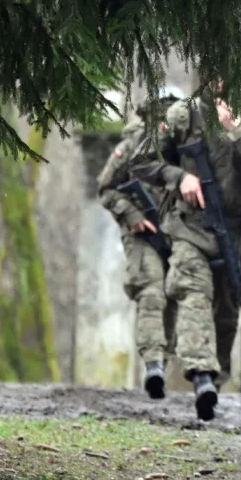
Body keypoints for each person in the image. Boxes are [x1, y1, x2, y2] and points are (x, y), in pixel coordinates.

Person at [130, 97, 241, 420]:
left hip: (234, 234)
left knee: (228, 312)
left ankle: (215, 378)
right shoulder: (183, 115)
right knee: (192, 293)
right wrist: (178, 177)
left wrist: (237, 130)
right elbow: (141, 160)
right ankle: (201, 375)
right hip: (189, 227)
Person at [96, 86, 183, 397]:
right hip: (143, 234)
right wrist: (133, 215)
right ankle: (153, 363)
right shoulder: (134, 143)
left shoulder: (184, 146)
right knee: (151, 293)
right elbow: (106, 188)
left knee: (173, 297)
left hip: (178, 232)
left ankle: (164, 362)